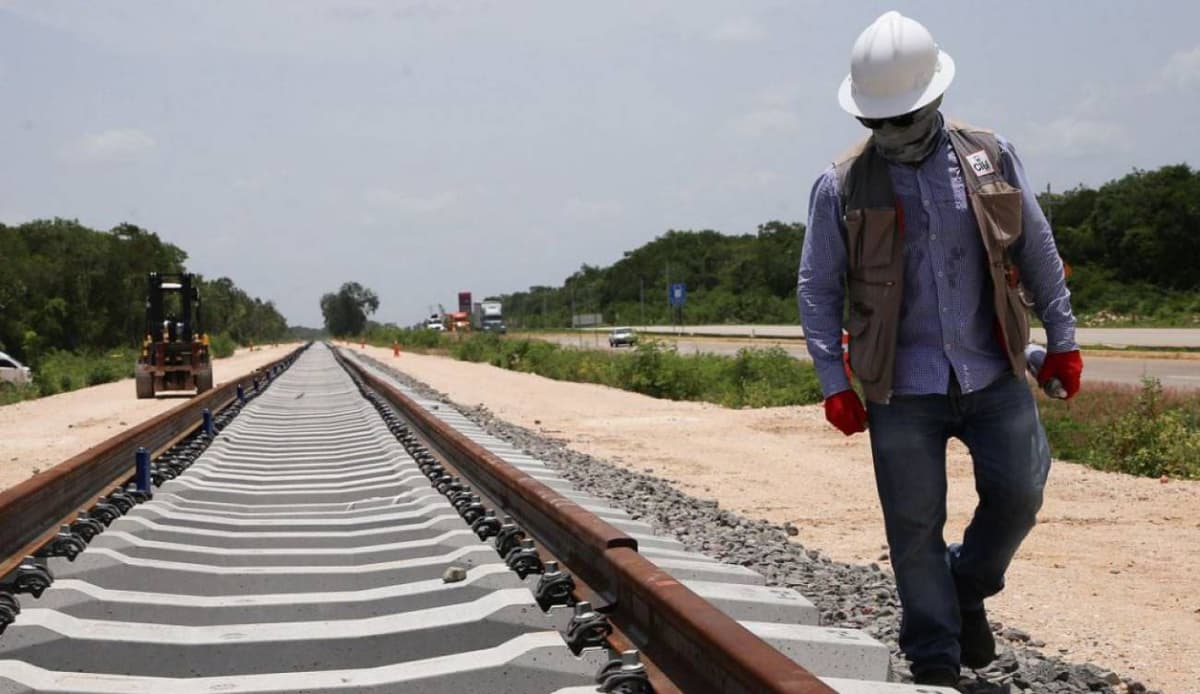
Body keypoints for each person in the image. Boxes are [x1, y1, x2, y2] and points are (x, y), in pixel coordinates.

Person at [797, 11, 1084, 687]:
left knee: (1019, 495)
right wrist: (832, 380)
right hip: (902, 387)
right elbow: (816, 287)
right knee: (912, 527)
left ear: (934, 99)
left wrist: (1063, 341)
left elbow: (1036, 250)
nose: (892, 133)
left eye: (904, 117)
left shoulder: (989, 156)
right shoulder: (840, 184)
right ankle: (933, 657)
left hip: (994, 371)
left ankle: (966, 586)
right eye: (879, 123)